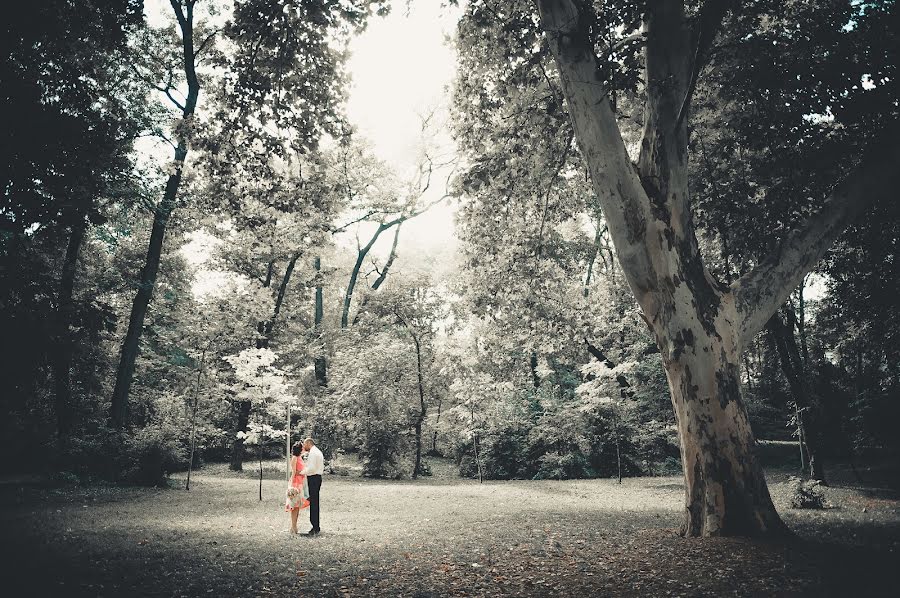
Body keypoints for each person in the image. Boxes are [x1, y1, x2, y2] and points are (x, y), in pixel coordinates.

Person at [285, 441, 310, 534]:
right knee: (294, 505)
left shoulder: (300, 458)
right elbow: (294, 472)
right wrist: (291, 485)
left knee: (297, 506)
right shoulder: (295, 458)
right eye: (302, 447)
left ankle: (295, 526)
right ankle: (293, 527)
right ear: (299, 449)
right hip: (296, 483)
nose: (304, 449)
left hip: (301, 483)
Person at [302, 437, 324, 536]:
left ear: (308, 443)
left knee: (314, 502)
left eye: (304, 444)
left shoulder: (313, 453)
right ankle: (315, 525)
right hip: (316, 478)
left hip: (314, 478)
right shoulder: (316, 451)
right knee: (314, 501)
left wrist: (302, 472)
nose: (303, 446)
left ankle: (315, 527)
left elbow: (311, 468)